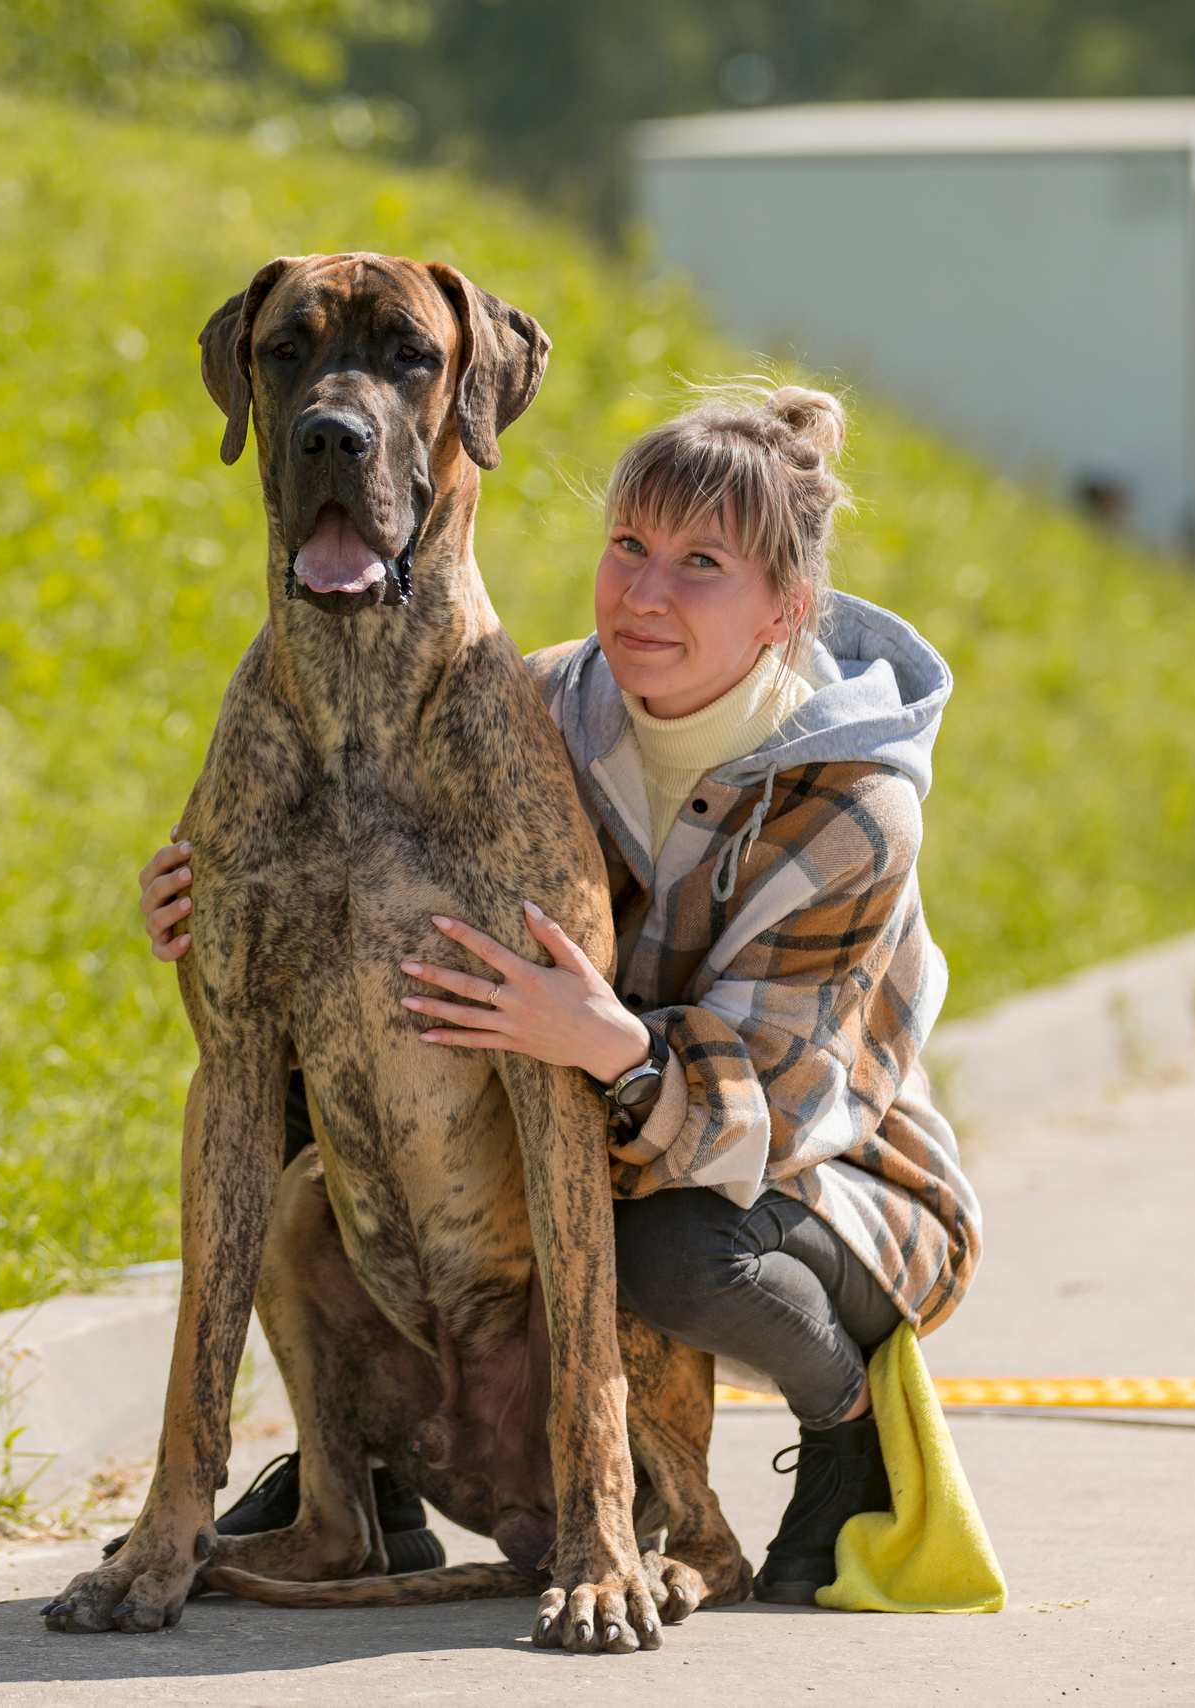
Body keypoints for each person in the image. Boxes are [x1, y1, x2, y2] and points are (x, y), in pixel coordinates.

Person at [135, 384, 979, 1606]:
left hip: (811, 1177)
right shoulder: (530, 708)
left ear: (785, 610)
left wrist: (612, 1049)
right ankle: (353, 1469)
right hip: (595, 1122)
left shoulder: (855, 803)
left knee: (664, 1248)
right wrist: (207, 901)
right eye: (626, 548)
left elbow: (774, 1109)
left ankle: (846, 1418)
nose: (644, 594)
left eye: (701, 566)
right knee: (309, 1119)